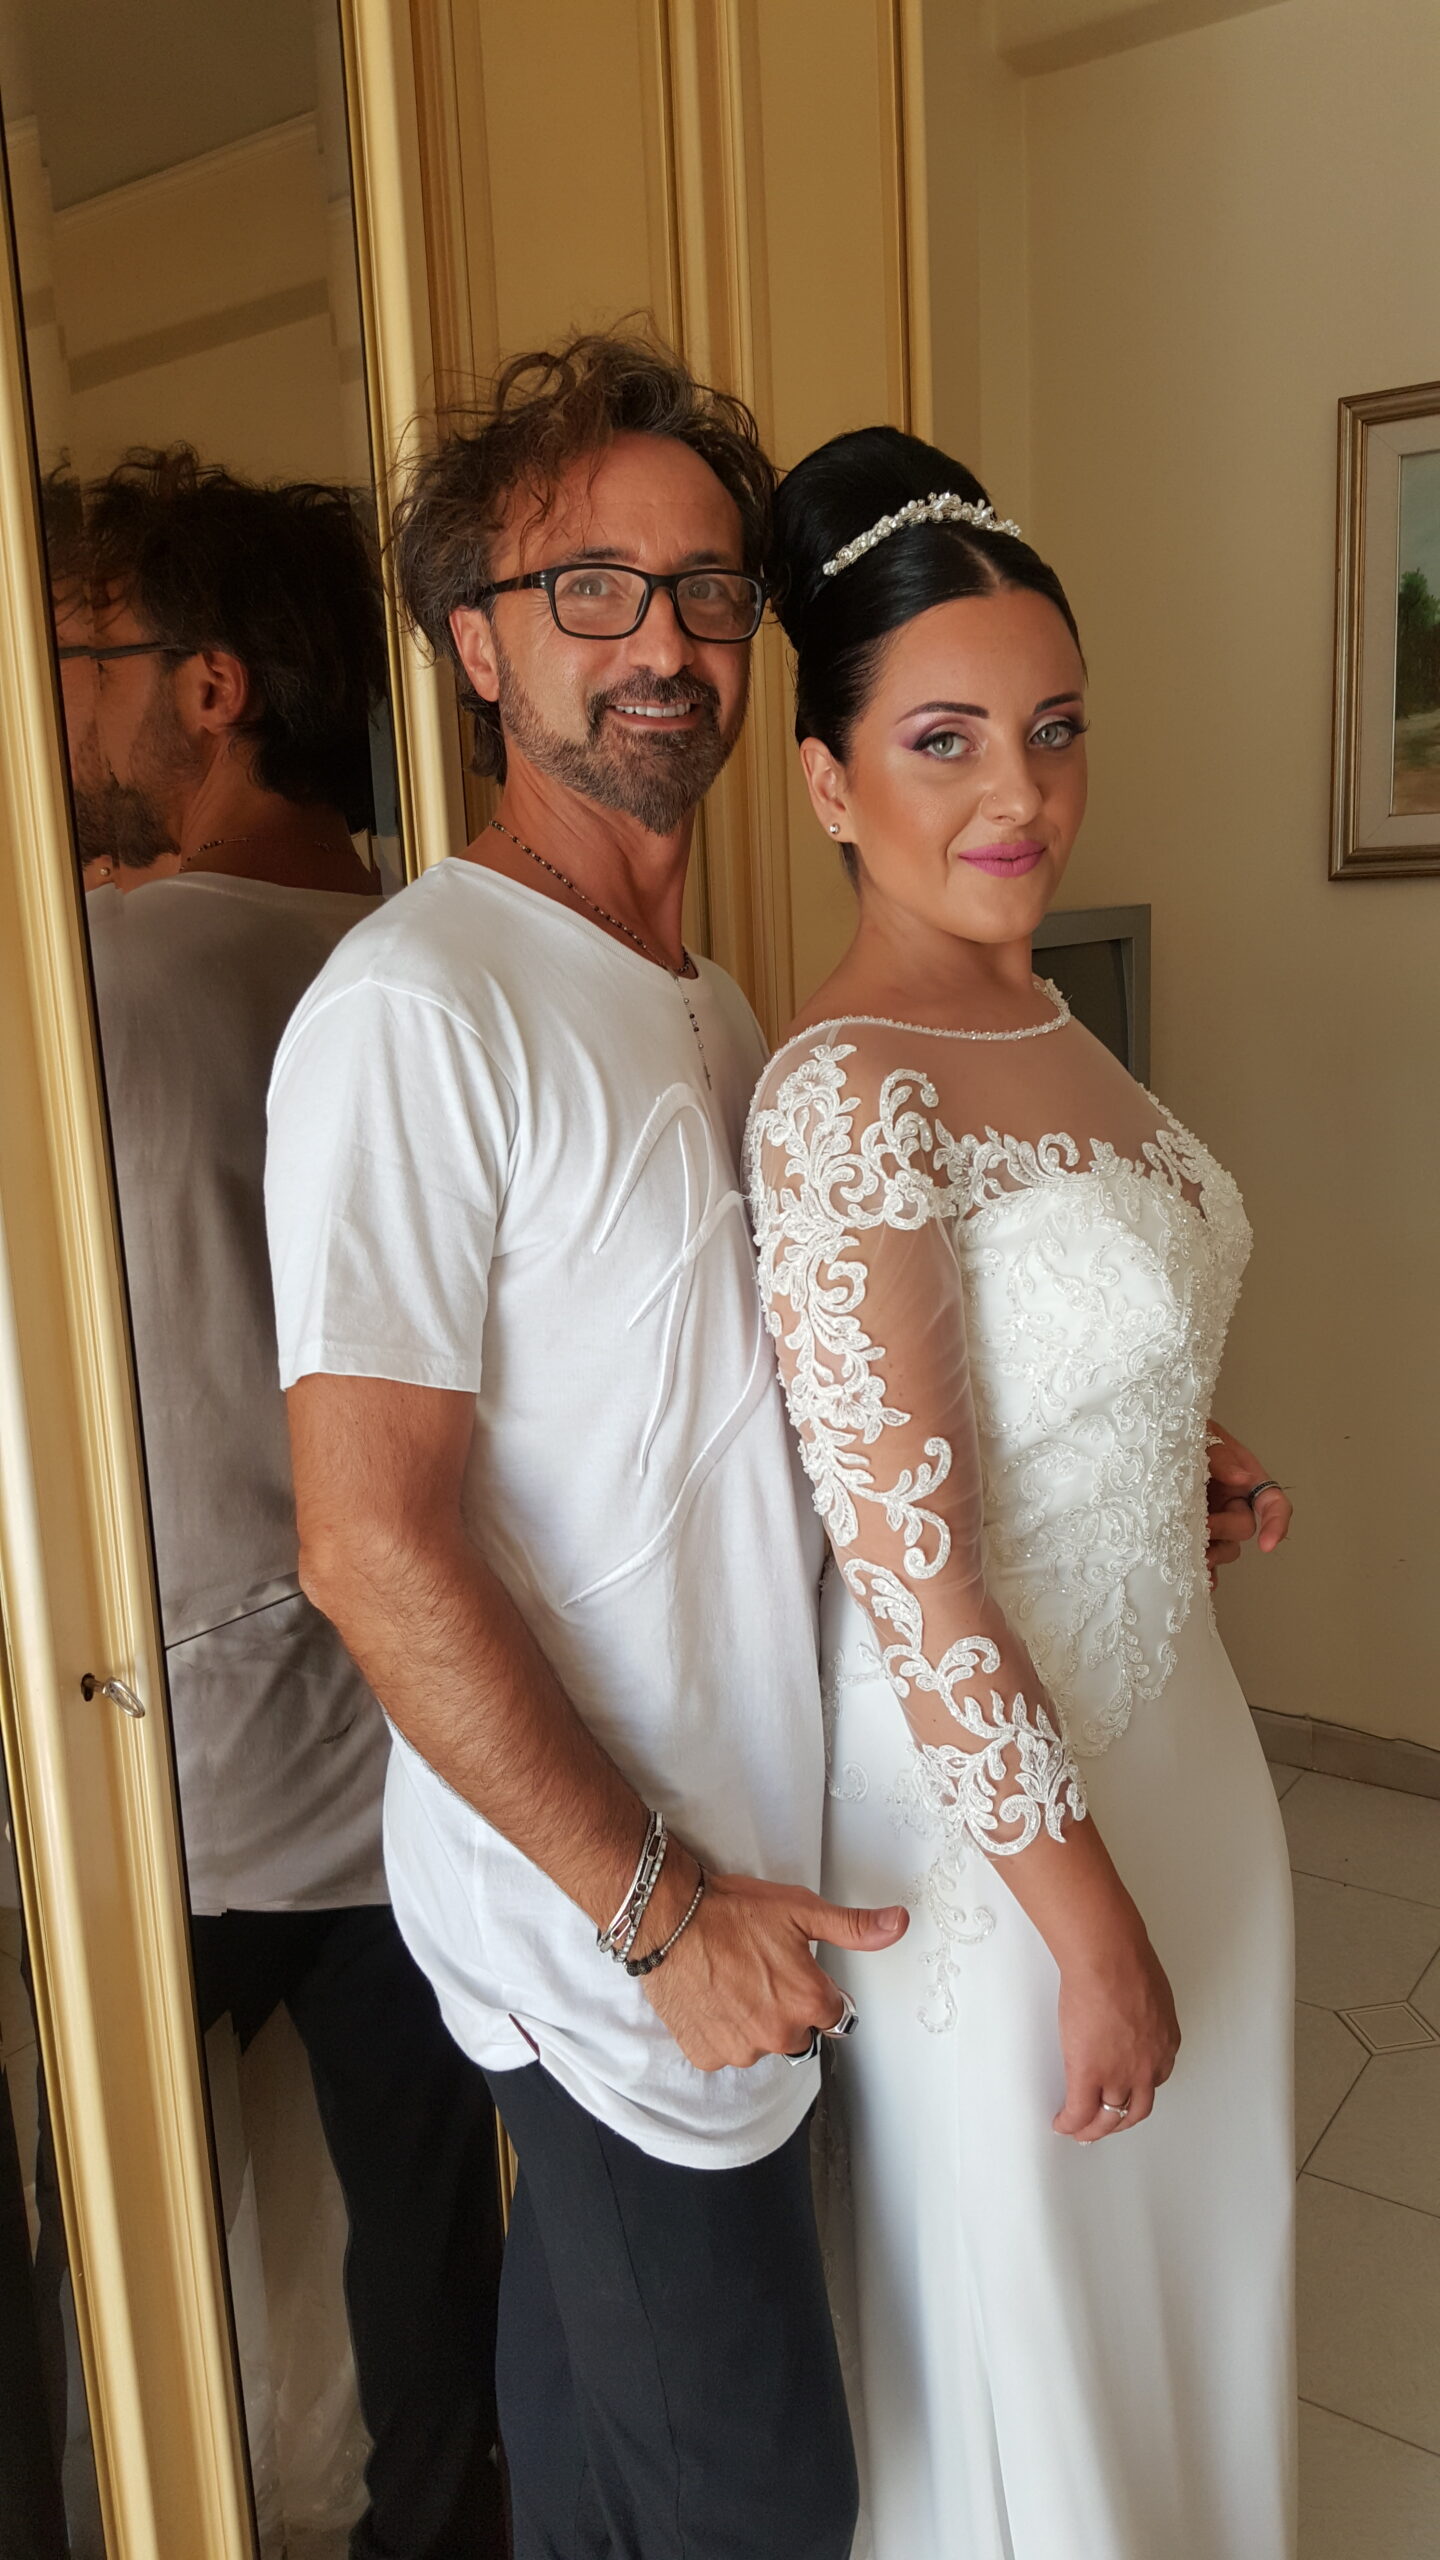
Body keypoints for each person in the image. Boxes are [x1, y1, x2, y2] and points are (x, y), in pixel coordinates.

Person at [265, 334, 905, 2560]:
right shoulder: (416, 1009)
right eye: (592, 589)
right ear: (477, 643)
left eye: (707, 590)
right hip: (615, 1939)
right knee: (766, 2509)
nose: (664, 641)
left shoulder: (708, 1003)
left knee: (605, 2489)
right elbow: (369, 1542)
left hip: (737, 1873)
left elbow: (760, 1420)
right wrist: (661, 1913)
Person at [747, 425, 1296, 2560]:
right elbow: (911, 1570)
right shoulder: (844, 1089)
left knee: (1187, 2307)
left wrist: (1178, 1452)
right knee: (1038, 2338)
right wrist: (1088, 1923)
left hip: (1180, 1746)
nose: (1022, 796)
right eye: (947, 740)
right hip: (1005, 1838)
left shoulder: (1047, 1013)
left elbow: (1062, 1351)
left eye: (1055, 730)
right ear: (829, 783)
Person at [79, 448, 506, 2560]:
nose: (60, 699)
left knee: (109, 2257)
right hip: (430, 1735)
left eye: (81, 651)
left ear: (212, 683)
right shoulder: (444, 961)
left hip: (166, 1749)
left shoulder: (98, 983)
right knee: (428, 2267)